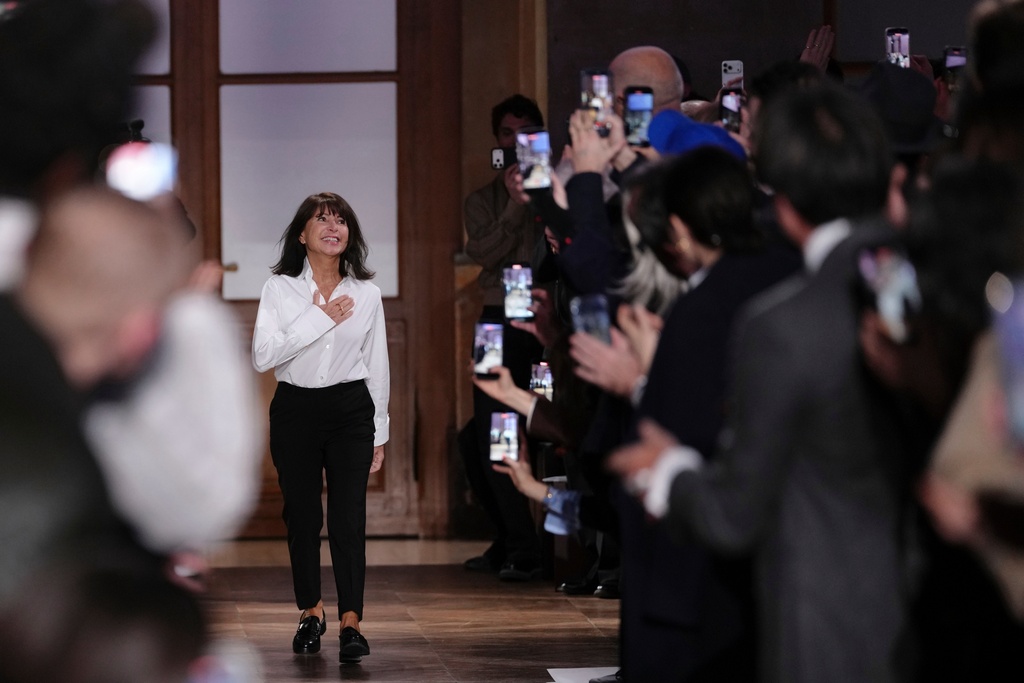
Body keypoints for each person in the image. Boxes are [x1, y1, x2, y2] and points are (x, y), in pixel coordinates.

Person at [609, 82, 913, 683]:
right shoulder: (949, 277)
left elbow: (734, 512)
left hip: (829, 621)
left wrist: (667, 469)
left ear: (785, 204)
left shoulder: (784, 323)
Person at [252, 192, 390, 662]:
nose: (333, 227)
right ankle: (311, 611)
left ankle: (352, 621)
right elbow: (263, 357)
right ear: (302, 235)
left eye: (341, 221)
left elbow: (377, 366)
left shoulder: (367, 293)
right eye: (321, 220)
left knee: (348, 518)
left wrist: (380, 432)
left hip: (351, 410)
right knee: (303, 516)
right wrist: (318, 318)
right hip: (296, 410)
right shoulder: (279, 289)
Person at [462, 94, 547, 580]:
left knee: (543, 422)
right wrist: (515, 206)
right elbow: (483, 254)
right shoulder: (482, 199)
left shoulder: (554, 188)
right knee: (482, 434)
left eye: (526, 132)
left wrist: (538, 197)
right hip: (495, 319)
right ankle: (516, 541)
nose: (517, 143)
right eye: (508, 133)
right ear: (498, 139)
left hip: (545, 317)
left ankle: (530, 543)